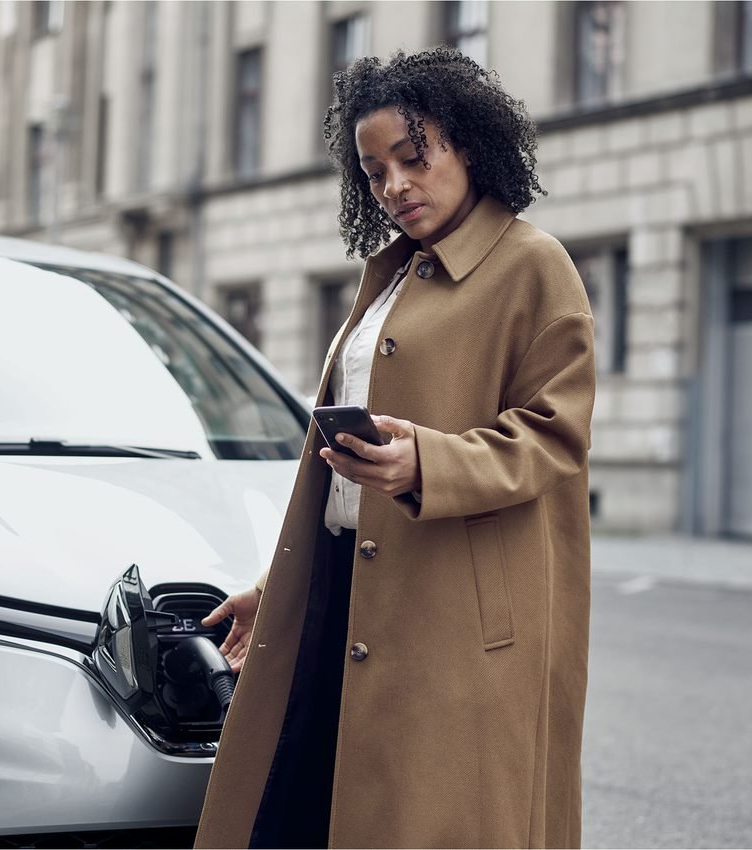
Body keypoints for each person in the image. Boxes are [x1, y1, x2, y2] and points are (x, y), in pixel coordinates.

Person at [195, 48, 596, 849]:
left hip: (449, 610)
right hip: (346, 587)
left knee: (421, 818)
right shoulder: (392, 274)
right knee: (296, 811)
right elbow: (341, 472)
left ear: (470, 148)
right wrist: (279, 587)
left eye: (414, 159)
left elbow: (554, 437)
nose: (396, 186)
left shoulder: (531, 266)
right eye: (375, 172)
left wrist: (430, 463)